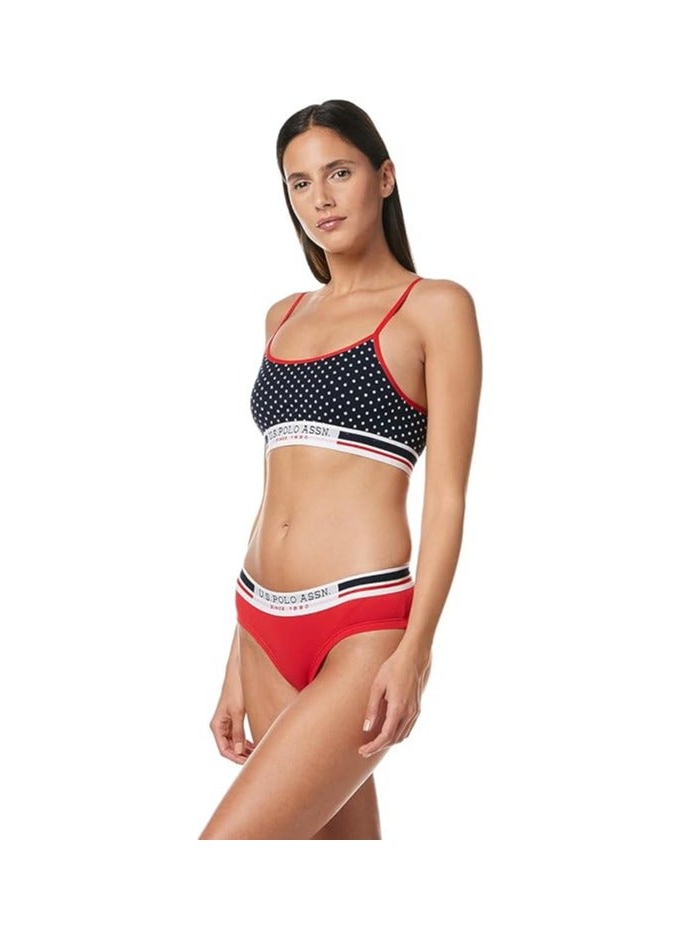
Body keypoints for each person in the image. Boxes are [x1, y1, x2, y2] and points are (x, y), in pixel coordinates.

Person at [198, 99, 482, 839]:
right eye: (299, 182)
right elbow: (276, 490)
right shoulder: (283, 315)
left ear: (384, 178)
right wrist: (236, 654)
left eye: (339, 172)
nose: (319, 198)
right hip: (260, 621)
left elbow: (447, 498)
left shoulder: (434, 308)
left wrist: (416, 652)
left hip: (360, 624)